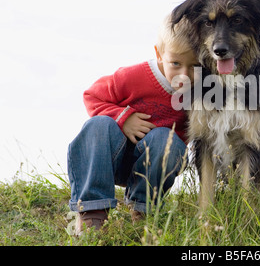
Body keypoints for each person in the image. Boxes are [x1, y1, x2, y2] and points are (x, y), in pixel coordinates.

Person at [67, 16, 197, 236]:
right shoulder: (133, 76)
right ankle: (92, 213)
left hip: (150, 168)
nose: (184, 75)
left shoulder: (199, 93)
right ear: (159, 54)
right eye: (176, 64)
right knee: (99, 124)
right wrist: (123, 118)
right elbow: (92, 96)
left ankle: (143, 211)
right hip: (108, 158)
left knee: (167, 138)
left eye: (195, 66)